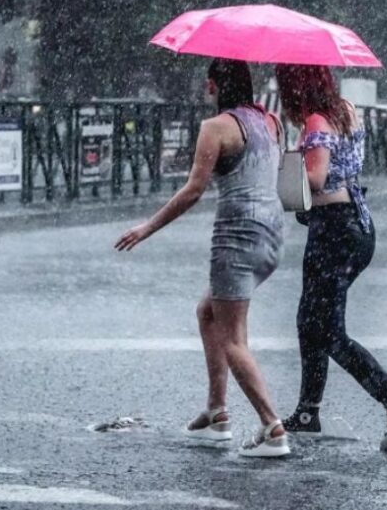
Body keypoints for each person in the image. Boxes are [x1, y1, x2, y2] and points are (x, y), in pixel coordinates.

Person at [115, 58, 289, 458]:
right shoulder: (272, 123)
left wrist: (146, 228)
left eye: (206, 84)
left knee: (233, 338)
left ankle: (272, 426)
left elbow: (194, 190)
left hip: (236, 237)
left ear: (213, 86)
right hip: (271, 236)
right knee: (208, 312)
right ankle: (216, 412)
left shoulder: (215, 128)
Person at [275, 64, 387, 452]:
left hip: (334, 231)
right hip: (356, 226)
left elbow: (318, 177)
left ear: (295, 87)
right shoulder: (346, 109)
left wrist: (284, 169)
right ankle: (308, 412)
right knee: (310, 320)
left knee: (328, 331)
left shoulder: (317, 120)